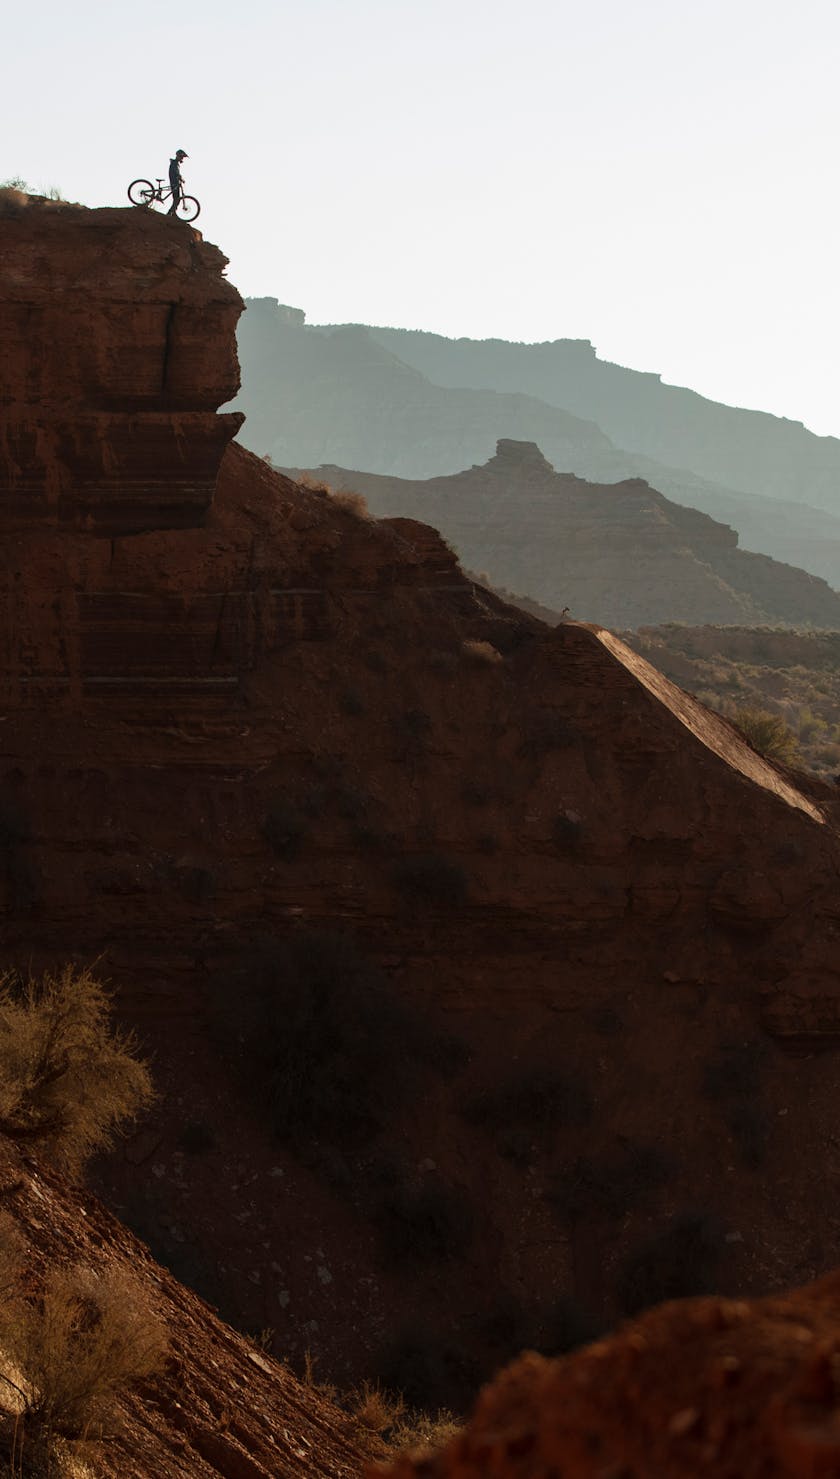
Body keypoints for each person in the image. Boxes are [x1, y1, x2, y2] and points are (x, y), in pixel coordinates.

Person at [167, 149, 188, 215]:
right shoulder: (174, 163)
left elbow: (176, 173)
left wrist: (180, 178)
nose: (182, 159)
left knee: (176, 199)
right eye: (182, 157)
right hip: (174, 183)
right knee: (176, 199)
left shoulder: (175, 163)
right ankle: (170, 213)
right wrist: (180, 178)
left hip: (175, 183)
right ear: (178, 156)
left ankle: (173, 213)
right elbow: (175, 172)